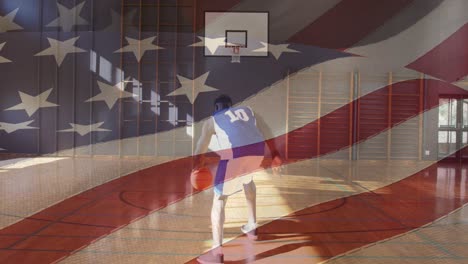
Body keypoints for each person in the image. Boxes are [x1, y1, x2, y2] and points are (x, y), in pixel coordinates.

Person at [193, 94, 282, 264]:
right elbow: (267, 130)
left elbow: (201, 145)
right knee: (248, 180)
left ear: (216, 108)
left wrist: (196, 164)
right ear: (232, 105)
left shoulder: (212, 120)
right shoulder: (248, 111)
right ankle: (252, 226)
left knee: (219, 198)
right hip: (257, 152)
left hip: (236, 154)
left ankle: (216, 253)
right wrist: (276, 154)